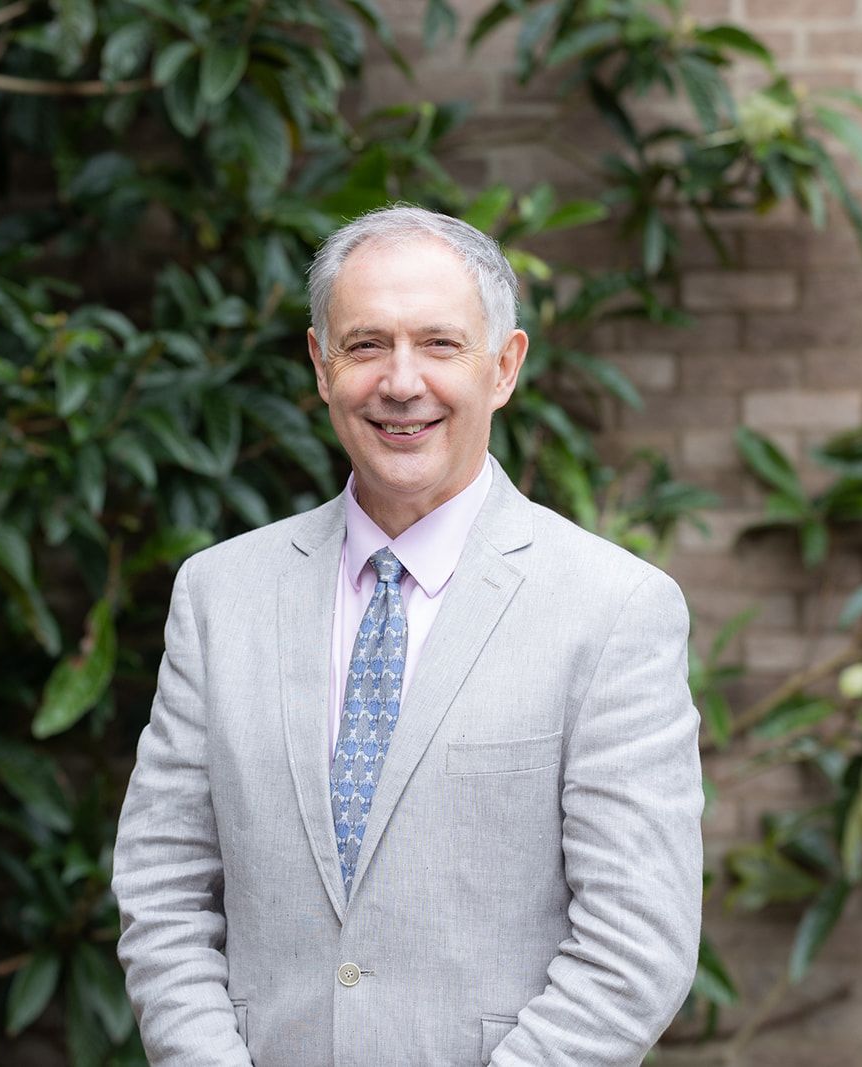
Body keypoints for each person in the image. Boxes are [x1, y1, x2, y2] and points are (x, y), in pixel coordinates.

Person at [112, 205, 703, 1066]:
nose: (400, 381)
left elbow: (636, 945)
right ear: (320, 365)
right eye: (365, 345)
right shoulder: (219, 595)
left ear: (504, 366)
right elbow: (163, 888)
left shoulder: (614, 609)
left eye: (439, 344)